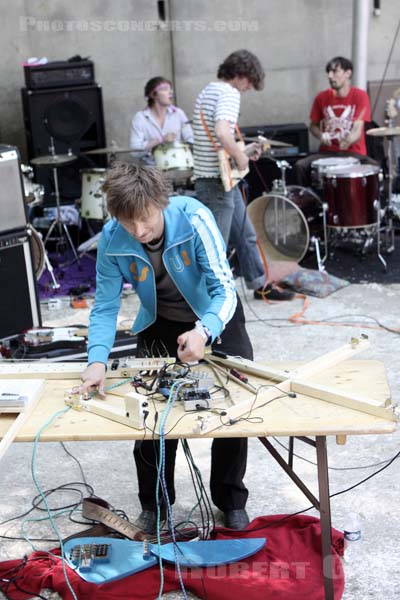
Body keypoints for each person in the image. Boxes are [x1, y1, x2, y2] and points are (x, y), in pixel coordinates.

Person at [80, 164, 253, 533]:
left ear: (161, 202)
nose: (139, 232)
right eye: (129, 224)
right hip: (159, 322)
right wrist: (96, 361)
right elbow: (106, 307)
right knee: (148, 415)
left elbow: (224, 288)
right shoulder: (112, 238)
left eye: (144, 220)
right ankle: (155, 505)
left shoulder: (195, 218)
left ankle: (231, 499)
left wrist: (204, 331)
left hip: (213, 316)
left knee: (234, 409)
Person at [193, 49, 293, 301]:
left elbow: (215, 142)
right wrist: (241, 159)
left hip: (220, 178)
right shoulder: (229, 93)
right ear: (240, 75)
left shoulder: (208, 91)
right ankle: (209, 301)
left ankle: (260, 284)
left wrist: (243, 152)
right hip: (216, 182)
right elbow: (223, 132)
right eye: (249, 82)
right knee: (215, 246)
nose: (248, 88)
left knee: (246, 234)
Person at [294, 56, 377, 187]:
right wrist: (321, 135)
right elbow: (313, 126)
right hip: (326, 153)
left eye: (334, 71)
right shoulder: (321, 97)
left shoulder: (360, 96)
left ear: (348, 73)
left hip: (353, 153)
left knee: (374, 167)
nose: (330, 76)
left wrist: (348, 141)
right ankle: (309, 202)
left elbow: (357, 129)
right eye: (328, 72)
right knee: (300, 166)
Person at [130, 76, 193, 164]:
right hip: (151, 170)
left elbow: (191, 139)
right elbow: (134, 151)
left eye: (170, 89)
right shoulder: (140, 118)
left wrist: (183, 146)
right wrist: (160, 140)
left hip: (177, 166)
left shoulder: (178, 113)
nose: (170, 92)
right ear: (153, 94)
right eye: (165, 89)